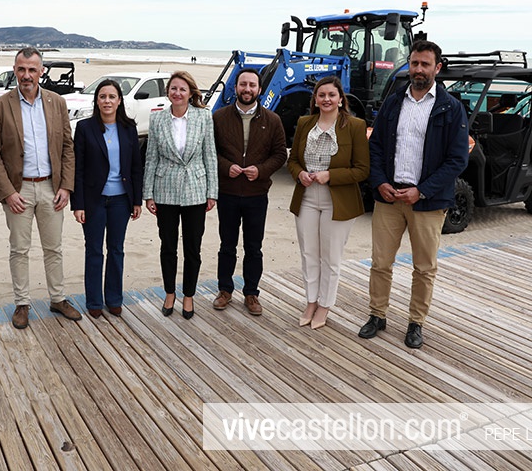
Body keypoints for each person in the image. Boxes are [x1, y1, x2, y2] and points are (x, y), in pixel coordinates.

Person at [358, 40, 469, 348]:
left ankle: (416, 323)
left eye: (425, 64)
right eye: (414, 63)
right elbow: (375, 146)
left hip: (428, 202)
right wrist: (380, 182)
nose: (418, 69)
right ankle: (377, 315)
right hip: (389, 197)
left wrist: (422, 191)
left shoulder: (451, 108)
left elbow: (457, 159)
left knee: (424, 268)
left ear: (437, 68)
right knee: (381, 263)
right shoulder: (394, 102)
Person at [0, 47, 81, 329]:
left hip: (52, 188)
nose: (26, 75)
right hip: (19, 190)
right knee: (19, 249)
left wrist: (66, 186)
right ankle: (22, 303)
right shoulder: (1, 105)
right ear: (15, 70)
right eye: (21, 69)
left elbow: (67, 147)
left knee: (54, 248)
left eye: (32, 70)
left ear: (41, 72)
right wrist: (8, 192)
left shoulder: (56, 102)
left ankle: (58, 298)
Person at [289, 77, 369, 329]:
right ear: (315, 99)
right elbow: (292, 161)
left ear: (340, 99)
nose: (326, 99)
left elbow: (362, 169)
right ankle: (311, 301)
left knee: (331, 257)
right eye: (321, 95)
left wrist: (330, 175)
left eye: (331, 95)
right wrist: (300, 174)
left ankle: (325, 305)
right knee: (308, 254)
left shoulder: (355, 125)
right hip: (306, 198)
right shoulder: (305, 123)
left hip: (338, 201)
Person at [211, 69, 287, 315]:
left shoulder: (272, 120)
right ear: (235, 88)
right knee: (227, 245)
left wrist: (261, 170)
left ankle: (251, 293)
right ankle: (225, 290)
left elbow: (280, 154)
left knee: (254, 247)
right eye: (243, 84)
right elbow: (210, 151)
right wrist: (226, 167)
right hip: (228, 192)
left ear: (259, 89)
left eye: (252, 85)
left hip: (257, 194)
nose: (247, 89)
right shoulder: (219, 117)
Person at [144, 70, 217, 319]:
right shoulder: (157, 119)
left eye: (182, 89)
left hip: (196, 190)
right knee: (168, 247)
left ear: (190, 93)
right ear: (168, 92)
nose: (177, 93)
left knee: (193, 248)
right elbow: (151, 158)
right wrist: (148, 194)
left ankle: (188, 296)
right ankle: (169, 293)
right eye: (173, 88)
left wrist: (212, 192)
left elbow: (210, 156)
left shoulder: (203, 116)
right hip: (164, 191)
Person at [72, 79, 143, 318]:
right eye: (102, 97)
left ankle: (114, 298)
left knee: (116, 250)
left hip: (121, 200)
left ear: (119, 100)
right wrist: (78, 204)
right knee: (94, 250)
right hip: (94, 200)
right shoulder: (84, 128)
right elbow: (78, 169)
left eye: (112, 97)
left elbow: (136, 167)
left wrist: (137, 200)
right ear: (97, 101)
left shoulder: (129, 128)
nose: (107, 101)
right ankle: (94, 301)